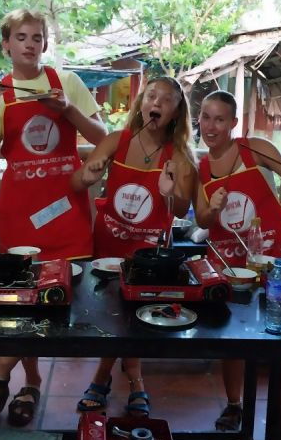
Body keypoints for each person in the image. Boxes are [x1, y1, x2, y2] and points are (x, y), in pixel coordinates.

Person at [0, 9, 106, 426]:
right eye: (21, 37)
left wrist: (67, 110)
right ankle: (30, 382)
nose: (30, 44)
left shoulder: (66, 82)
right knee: (25, 299)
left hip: (68, 211)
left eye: (37, 37)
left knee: (65, 298)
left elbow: (104, 138)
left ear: (45, 44)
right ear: (6, 45)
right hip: (21, 214)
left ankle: (0, 362)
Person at [72, 76, 197, 417]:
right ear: (141, 104)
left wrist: (171, 190)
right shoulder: (117, 140)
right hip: (109, 244)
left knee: (133, 316)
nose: (156, 103)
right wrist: (89, 174)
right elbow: (78, 180)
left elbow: (182, 210)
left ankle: (106, 380)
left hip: (149, 252)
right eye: (151, 96)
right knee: (113, 313)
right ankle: (132, 382)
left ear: (176, 113)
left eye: (166, 100)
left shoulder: (179, 155)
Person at [194, 90, 281, 435]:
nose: (211, 126)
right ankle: (234, 405)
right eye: (206, 118)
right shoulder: (201, 168)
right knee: (229, 336)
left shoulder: (255, 148)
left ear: (233, 123)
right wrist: (212, 208)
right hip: (228, 264)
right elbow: (202, 220)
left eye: (220, 119)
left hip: (270, 257)